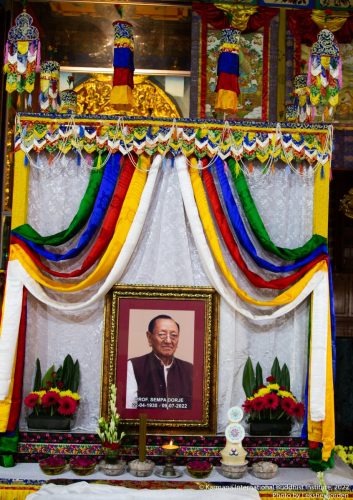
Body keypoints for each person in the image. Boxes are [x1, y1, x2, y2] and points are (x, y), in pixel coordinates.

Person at [126, 314, 193, 410]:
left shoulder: (190, 370)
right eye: (162, 334)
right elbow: (129, 412)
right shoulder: (133, 366)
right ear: (149, 337)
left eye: (174, 335)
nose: (168, 341)